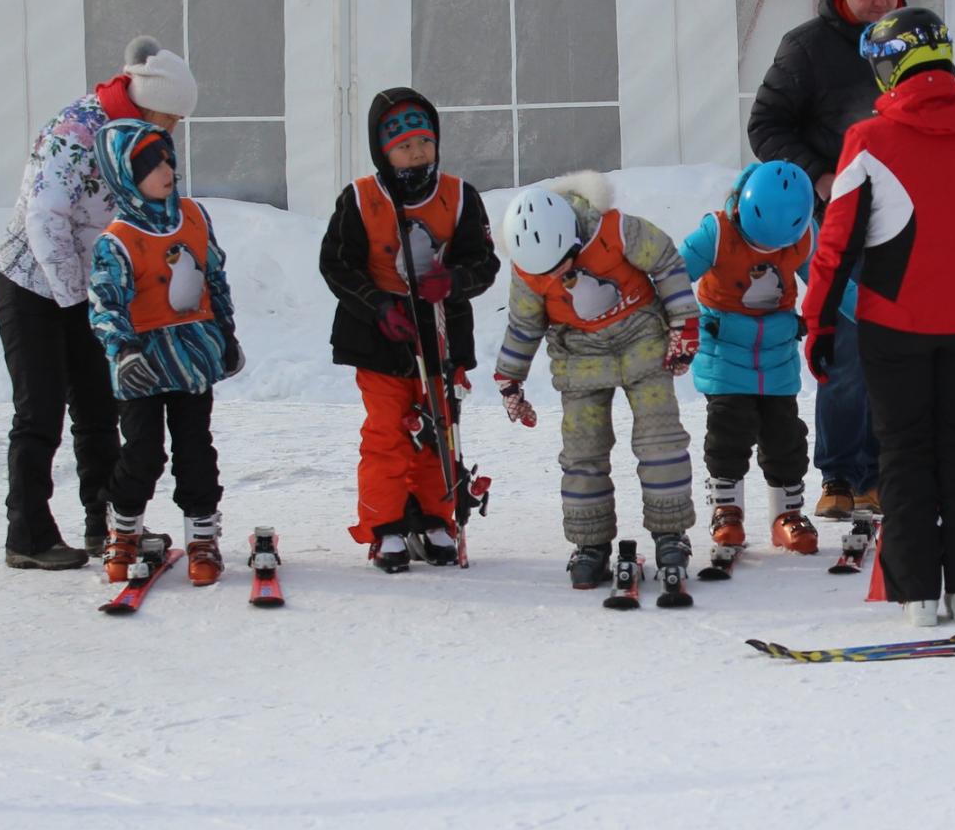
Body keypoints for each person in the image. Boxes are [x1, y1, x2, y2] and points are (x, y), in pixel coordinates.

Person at [801, 7, 955, 628]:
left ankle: (918, 597)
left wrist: (819, 325)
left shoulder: (869, 140)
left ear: (890, 67)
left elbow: (835, 248)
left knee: (903, 454)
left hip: (895, 326)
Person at [0, 36, 196, 570]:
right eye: (172, 116)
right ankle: (28, 535)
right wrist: (75, 302)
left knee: (99, 410)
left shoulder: (142, 139)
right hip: (33, 283)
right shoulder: (76, 130)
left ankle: (106, 524)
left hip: (93, 290)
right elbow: (45, 219)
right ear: (149, 101)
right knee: (39, 412)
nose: (174, 128)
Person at [748, 0, 903, 520]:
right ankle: (840, 472)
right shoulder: (806, 47)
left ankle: (882, 472)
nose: (881, 2)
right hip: (832, 218)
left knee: (895, 343)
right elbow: (764, 126)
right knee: (847, 339)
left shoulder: (911, 39)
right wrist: (818, 176)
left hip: (900, 216)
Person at [318, 89, 501, 572]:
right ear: (384, 151)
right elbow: (336, 264)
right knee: (388, 432)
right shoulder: (360, 199)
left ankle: (437, 517)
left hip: (440, 331)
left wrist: (454, 281)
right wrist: (377, 305)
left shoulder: (460, 196)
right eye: (404, 146)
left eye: (425, 142)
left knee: (439, 428)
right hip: (379, 334)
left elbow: (484, 262)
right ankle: (386, 526)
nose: (417, 152)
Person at [494, 174, 701, 587]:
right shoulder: (527, 272)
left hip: (642, 341)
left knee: (660, 441)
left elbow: (665, 261)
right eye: (548, 271)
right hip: (580, 359)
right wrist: (510, 378)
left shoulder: (616, 230)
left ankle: (670, 533)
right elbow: (523, 325)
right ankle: (590, 544)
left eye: (564, 262)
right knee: (582, 451)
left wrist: (684, 322)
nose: (560, 273)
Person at [87, 120, 240, 585]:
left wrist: (226, 333)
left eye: (168, 160)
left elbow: (214, 278)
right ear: (125, 176)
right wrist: (124, 351)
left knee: (196, 449)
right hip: (143, 365)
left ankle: (202, 536)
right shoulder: (116, 240)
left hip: (192, 357)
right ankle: (123, 529)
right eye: (151, 166)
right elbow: (105, 305)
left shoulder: (192, 216)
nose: (167, 171)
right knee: (144, 453)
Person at [679, 161, 821, 555]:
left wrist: (859, 317)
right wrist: (672, 323)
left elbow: (828, 282)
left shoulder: (805, 235)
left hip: (777, 351)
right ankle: (726, 510)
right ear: (742, 210)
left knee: (785, 435)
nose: (769, 252)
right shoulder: (717, 232)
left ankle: (786, 515)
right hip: (724, 348)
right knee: (729, 428)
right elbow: (671, 276)